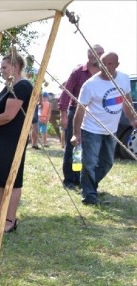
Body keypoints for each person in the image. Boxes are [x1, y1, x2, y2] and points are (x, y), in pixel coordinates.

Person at [72, 52, 137, 205]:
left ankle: (90, 187)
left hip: (111, 130)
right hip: (91, 129)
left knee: (107, 162)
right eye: (103, 63)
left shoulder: (124, 79)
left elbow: (126, 101)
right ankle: (89, 196)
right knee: (89, 162)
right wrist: (76, 134)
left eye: (110, 64)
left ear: (117, 65)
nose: (105, 67)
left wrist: (133, 119)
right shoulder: (90, 85)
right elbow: (80, 110)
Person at [0, 52, 33, 234]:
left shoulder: (23, 86)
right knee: (1, 179)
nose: (1, 71)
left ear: (16, 67)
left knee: (12, 180)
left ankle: (10, 218)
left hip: (12, 140)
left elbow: (8, 115)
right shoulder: (8, 87)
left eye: (4, 67)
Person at [59, 44, 104, 189]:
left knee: (89, 150)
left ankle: (81, 179)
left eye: (98, 53)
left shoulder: (104, 73)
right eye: (92, 53)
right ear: (88, 55)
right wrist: (63, 114)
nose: (95, 56)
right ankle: (69, 179)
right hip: (76, 113)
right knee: (73, 146)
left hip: (94, 116)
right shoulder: (78, 72)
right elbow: (66, 92)